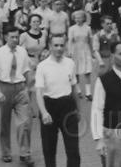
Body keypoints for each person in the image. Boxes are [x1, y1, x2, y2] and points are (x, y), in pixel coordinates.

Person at [0, 26, 34, 166]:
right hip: (4, 88)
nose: (15, 39)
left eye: (17, 37)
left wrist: (29, 88)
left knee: (25, 122)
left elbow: (27, 71)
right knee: (4, 123)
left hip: (20, 89)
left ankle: (25, 154)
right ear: (5, 37)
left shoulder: (22, 51)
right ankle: (6, 152)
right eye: (12, 37)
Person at [35, 35, 81, 167]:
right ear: (50, 46)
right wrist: (44, 112)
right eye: (56, 45)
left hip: (68, 107)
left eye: (61, 45)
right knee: (49, 149)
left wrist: (78, 110)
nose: (59, 48)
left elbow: (74, 88)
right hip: (49, 106)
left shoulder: (70, 63)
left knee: (73, 149)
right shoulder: (42, 66)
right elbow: (39, 92)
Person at [20, 14, 48, 115]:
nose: (36, 24)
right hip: (30, 62)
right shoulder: (24, 35)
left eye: (37, 21)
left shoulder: (44, 33)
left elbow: (46, 47)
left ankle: (43, 108)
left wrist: (45, 54)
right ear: (30, 23)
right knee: (29, 86)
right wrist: (30, 62)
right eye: (33, 21)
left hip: (42, 61)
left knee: (43, 85)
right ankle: (28, 107)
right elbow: (22, 51)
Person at [68, 10, 94, 101]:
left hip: (85, 50)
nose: (78, 19)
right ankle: (78, 91)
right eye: (76, 18)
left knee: (87, 71)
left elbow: (90, 41)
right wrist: (70, 52)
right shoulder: (72, 29)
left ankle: (88, 93)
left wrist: (92, 51)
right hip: (76, 50)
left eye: (80, 17)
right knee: (77, 72)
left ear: (84, 18)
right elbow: (70, 41)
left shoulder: (88, 28)